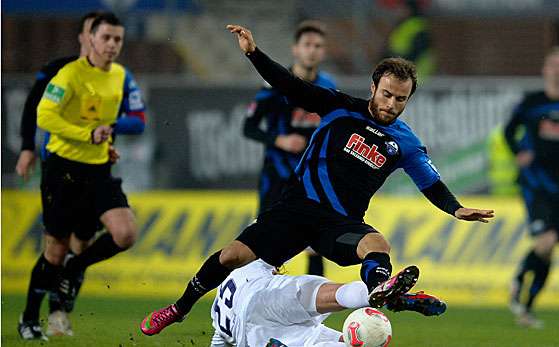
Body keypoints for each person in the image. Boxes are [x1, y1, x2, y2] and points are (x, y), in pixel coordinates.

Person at [139, 24, 494, 336]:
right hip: (295, 210)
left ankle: (384, 290)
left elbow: (430, 183)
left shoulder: (405, 142)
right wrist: (254, 54)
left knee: (378, 244)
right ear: (374, 87)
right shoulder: (338, 106)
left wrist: (456, 209)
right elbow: (290, 85)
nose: (391, 104)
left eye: (401, 99)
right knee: (231, 256)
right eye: (386, 94)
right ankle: (179, 308)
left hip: (338, 224)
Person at [15, 11, 146, 338]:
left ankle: (76, 267)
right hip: (63, 171)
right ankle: (29, 318)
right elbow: (44, 114)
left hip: (99, 170)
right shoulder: (68, 74)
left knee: (125, 233)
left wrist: (107, 137)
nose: (113, 44)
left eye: (118, 39)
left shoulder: (119, 75)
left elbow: (133, 120)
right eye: (106, 38)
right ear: (90, 39)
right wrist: (84, 135)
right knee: (55, 250)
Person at [505, 46, 559, 328]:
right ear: (545, 70)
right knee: (546, 240)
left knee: (550, 248)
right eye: (553, 64)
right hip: (534, 182)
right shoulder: (532, 102)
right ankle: (518, 280)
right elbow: (509, 130)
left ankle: (526, 309)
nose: (557, 70)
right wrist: (519, 150)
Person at [243, 20, 336, 277]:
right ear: (295, 49)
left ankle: (315, 309)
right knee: (264, 239)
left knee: (315, 242)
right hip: (276, 174)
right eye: (307, 44)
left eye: (318, 46)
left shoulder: (328, 86)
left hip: (310, 175)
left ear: (323, 52)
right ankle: (255, 295)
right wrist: (279, 140)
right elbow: (248, 127)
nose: (312, 50)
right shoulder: (274, 83)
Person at [202, 260, 444, 347]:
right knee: (331, 294)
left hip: (257, 336)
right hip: (261, 299)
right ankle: (378, 293)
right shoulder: (249, 259)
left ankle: (382, 296)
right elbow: (271, 233)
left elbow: (219, 340)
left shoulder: (218, 312)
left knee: (324, 339)